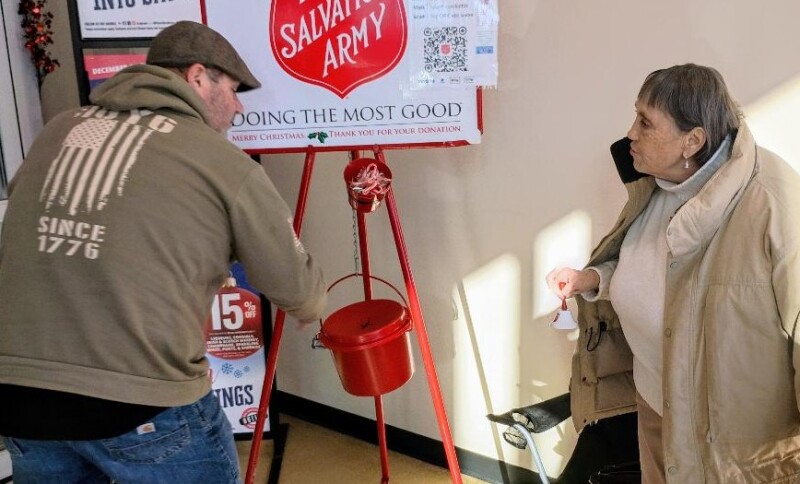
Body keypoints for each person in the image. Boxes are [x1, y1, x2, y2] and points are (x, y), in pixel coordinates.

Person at [0, 21, 326, 483]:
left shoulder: (59, 131)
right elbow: (295, 286)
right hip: (138, 401)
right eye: (233, 91)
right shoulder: (220, 161)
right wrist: (311, 304)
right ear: (198, 77)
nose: (237, 107)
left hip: (19, 397)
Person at [547, 64, 800, 483]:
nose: (630, 133)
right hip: (655, 401)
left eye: (646, 123)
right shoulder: (657, 184)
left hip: (731, 441)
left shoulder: (774, 203)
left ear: (692, 141)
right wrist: (594, 279)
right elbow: (656, 267)